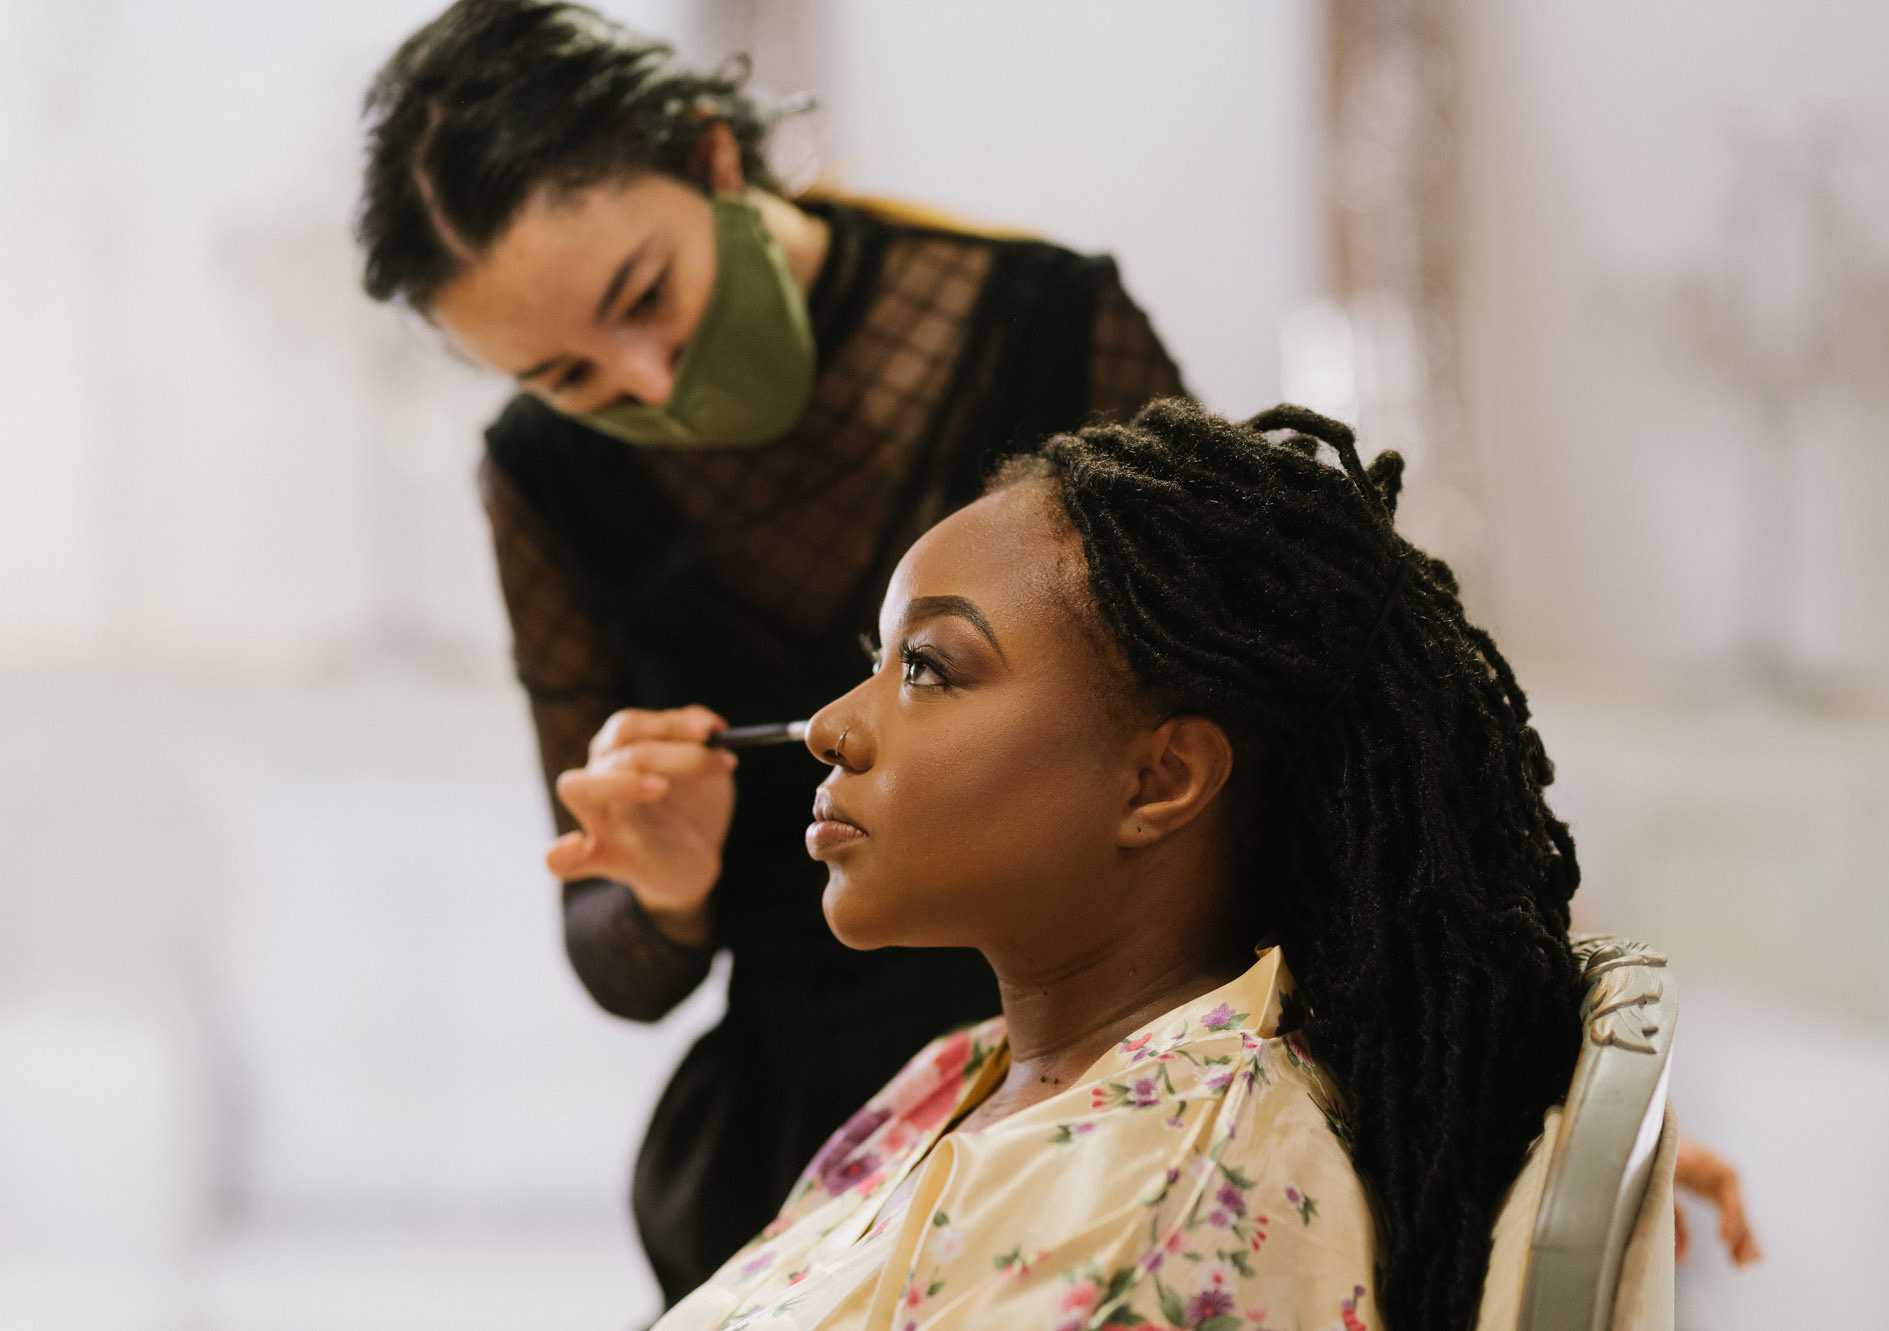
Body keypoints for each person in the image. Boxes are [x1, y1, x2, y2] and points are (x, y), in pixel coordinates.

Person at [353, 0, 1183, 1302]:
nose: (647, 379)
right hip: (799, 1151)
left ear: (712, 155)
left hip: (1109, 1070)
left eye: (645, 295)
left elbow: (1250, 718)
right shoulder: (543, 476)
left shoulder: (1044, 323)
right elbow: (614, 959)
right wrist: (662, 885)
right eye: (568, 376)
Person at [554, 400, 1634, 1331]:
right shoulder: (971, 1071)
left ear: (1160, 779)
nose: (833, 727)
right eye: (875, 662)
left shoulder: (1154, 1226)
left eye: (926, 667)